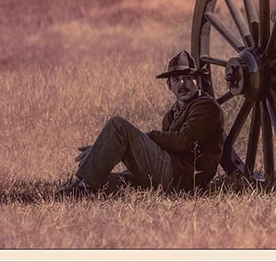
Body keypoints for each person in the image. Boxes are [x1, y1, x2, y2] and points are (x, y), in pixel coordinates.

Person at [55, 50, 225, 197]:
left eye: (188, 78)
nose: (182, 84)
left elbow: (183, 142)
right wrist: (101, 150)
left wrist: (146, 136)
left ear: (197, 81)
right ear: (168, 85)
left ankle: (82, 187)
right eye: (176, 79)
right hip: (168, 173)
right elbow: (166, 147)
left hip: (184, 178)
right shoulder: (171, 115)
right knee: (105, 180)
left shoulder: (206, 106)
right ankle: (81, 186)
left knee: (118, 126)